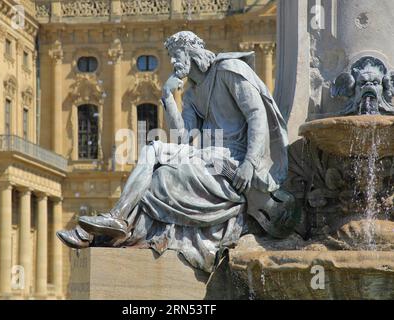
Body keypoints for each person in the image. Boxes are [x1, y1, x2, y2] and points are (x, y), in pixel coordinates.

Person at [57, 31, 289, 272]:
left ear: (190, 50)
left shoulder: (228, 69)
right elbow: (183, 138)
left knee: (159, 172)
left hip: (233, 159)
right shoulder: (192, 92)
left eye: (176, 55)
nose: (174, 62)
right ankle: (115, 220)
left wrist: (250, 162)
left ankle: (109, 227)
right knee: (154, 152)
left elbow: (256, 113)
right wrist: (167, 97)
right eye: (170, 57)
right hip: (209, 156)